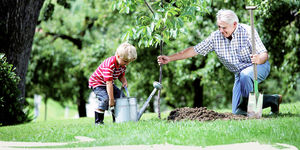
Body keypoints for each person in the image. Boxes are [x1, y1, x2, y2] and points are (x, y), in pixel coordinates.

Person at [157, 9, 282, 115]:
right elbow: (193, 51)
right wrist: (170, 58)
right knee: (237, 112)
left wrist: (258, 59)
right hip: (239, 74)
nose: (221, 30)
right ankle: (273, 100)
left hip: (258, 66)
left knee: (245, 87)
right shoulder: (215, 37)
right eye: (219, 27)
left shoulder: (248, 31)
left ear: (234, 24)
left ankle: (253, 113)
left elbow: (264, 54)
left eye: (224, 27)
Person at [89, 42, 137, 124]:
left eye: (129, 62)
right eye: (125, 61)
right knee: (105, 99)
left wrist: (124, 81)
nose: (127, 64)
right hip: (98, 83)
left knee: (121, 98)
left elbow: (121, 75)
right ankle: (98, 121)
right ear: (118, 56)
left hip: (108, 83)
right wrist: (111, 100)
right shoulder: (109, 65)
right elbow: (109, 83)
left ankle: (118, 120)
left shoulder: (122, 64)